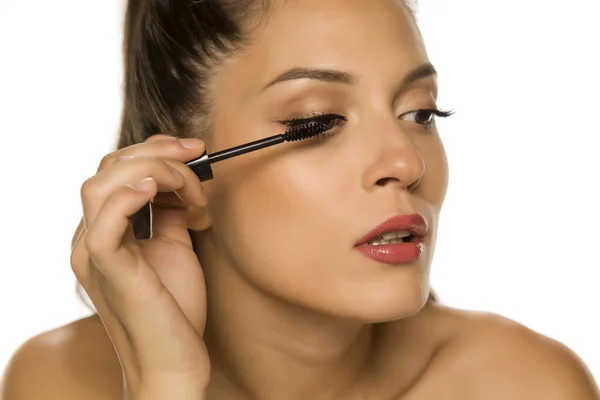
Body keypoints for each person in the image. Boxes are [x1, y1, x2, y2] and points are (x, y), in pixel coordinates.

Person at [1, 0, 598, 399]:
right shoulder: (57, 383)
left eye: (420, 112)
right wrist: (166, 385)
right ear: (181, 176)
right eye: (319, 122)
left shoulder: (524, 385)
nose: (407, 162)